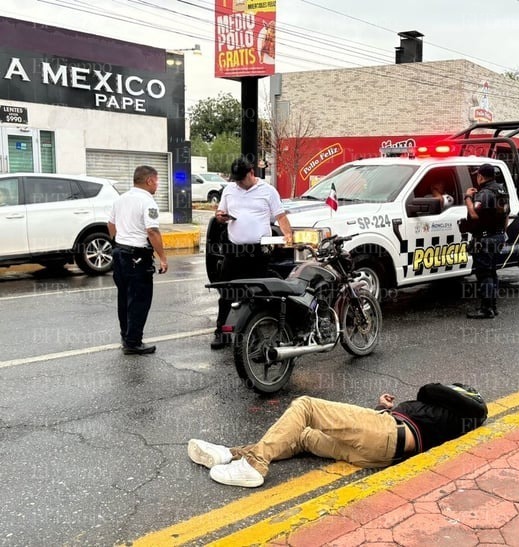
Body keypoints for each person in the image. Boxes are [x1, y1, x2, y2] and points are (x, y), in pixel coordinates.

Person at [187, 383, 487, 488]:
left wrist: (449, 389)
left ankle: (254, 465)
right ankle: (229, 454)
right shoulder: (443, 414)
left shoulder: (468, 412)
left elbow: (429, 390)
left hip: (385, 434)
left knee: (306, 406)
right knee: (303, 436)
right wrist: (381, 408)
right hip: (375, 450)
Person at [211, 157, 293, 350]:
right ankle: (221, 333)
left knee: (255, 294)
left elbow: (280, 216)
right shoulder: (230, 190)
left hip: (258, 252)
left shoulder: (268, 191)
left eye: (241, 178)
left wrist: (288, 234)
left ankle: (254, 335)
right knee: (226, 293)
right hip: (234, 250)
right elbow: (220, 213)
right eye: (236, 179)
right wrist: (220, 217)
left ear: (251, 173)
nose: (238, 182)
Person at [108, 165, 168, 355]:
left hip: (119, 254)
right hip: (137, 257)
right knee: (140, 299)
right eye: (157, 181)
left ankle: (126, 336)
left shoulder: (121, 200)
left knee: (124, 297)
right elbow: (152, 231)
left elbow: (111, 224)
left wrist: (119, 242)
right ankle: (133, 342)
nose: (157, 185)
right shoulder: (148, 202)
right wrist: (163, 258)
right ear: (149, 180)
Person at [464, 164, 510, 319]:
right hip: (497, 236)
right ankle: (493, 306)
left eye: (477, 175)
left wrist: (468, 198)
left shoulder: (485, 193)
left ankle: (486, 309)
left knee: (484, 274)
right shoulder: (502, 191)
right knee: (492, 272)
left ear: (481, 177)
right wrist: (502, 234)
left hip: (485, 238)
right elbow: (506, 216)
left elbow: (474, 214)